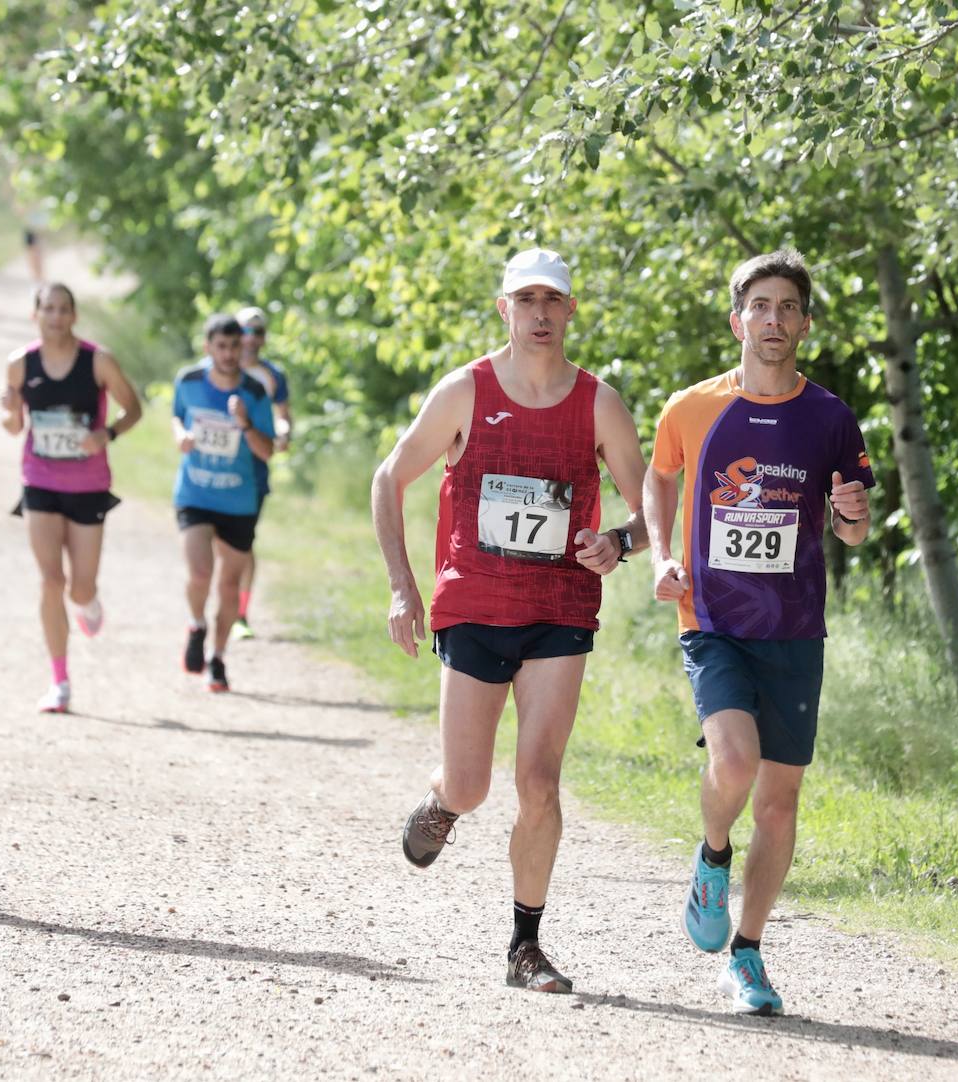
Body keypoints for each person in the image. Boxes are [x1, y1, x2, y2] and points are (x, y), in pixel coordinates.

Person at [371, 248, 648, 992]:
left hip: (559, 612)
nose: (540, 314)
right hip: (475, 608)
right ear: (505, 310)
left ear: (571, 311)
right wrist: (403, 588)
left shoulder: (600, 404)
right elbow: (388, 478)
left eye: (552, 301)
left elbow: (656, 510)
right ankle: (441, 804)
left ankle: (525, 946)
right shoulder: (466, 390)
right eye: (526, 301)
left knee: (540, 782)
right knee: (470, 785)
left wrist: (618, 541)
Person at [643, 248, 873, 1015]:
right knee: (734, 763)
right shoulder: (692, 407)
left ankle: (747, 954)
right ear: (736, 318)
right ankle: (713, 857)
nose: (773, 320)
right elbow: (661, 474)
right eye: (760, 306)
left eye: (788, 308)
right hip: (712, 620)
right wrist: (663, 555)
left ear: (804, 324)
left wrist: (852, 520)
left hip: (796, 629)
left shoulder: (831, 418)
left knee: (779, 802)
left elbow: (853, 528)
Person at [1, 282, 142, 713]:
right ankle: (59, 681)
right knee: (50, 580)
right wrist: (8, 410)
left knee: (80, 588)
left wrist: (107, 434)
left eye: (64, 309)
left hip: (88, 485)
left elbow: (132, 408)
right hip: (40, 480)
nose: (56, 316)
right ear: (36, 314)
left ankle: (89, 600)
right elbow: (13, 427)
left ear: (74, 315)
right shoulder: (20, 364)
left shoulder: (98, 360)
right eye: (48, 309)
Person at [171, 314, 275, 692]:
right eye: (221, 346)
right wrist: (181, 434)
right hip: (194, 494)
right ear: (208, 347)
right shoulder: (189, 381)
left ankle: (217, 657)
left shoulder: (255, 392)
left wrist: (245, 424)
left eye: (235, 346)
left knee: (229, 585)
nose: (229, 353)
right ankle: (197, 624)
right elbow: (177, 417)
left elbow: (266, 453)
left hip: (238, 500)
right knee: (200, 573)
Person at [233, 304, 293, 640]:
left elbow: (283, 413)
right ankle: (223, 601)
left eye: (258, 332)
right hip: (220, 465)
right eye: (245, 331)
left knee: (244, 541)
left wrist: (284, 432)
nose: (251, 338)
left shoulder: (272, 375)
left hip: (255, 465)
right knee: (218, 540)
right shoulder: (222, 369)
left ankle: (241, 613)